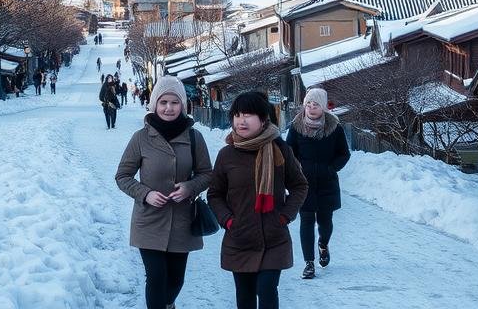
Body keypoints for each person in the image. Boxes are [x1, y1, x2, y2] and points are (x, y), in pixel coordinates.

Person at [114, 75, 214, 309]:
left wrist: (190, 187)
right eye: (163, 102)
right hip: (148, 220)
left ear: (182, 105)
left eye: (174, 102)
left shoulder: (194, 137)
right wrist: (145, 193)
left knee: (176, 279)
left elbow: (207, 173)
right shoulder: (140, 138)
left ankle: (167, 305)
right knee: (156, 277)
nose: (169, 108)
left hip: (182, 221)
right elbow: (122, 176)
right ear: (155, 104)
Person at [208, 91, 309, 309]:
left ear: (263, 119)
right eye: (236, 115)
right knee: (244, 296)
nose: (241, 121)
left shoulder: (280, 150)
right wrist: (228, 221)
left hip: (273, 238)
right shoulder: (227, 155)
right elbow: (214, 194)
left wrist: (284, 216)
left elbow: (299, 185)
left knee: (267, 290)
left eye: (247, 115)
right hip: (240, 238)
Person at [284, 88, 351, 279]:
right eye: (308, 104)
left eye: (316, 105)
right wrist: (296, 170)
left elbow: (344, 154)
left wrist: (330, 169)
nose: (311, 108)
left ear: (323, 107)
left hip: (326, 182)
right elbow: (289, 152)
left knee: (325, 222)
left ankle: (323, 244)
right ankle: (309, 263)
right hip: (303, 183)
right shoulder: (296, 127)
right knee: (306, 221)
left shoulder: (334, 128)